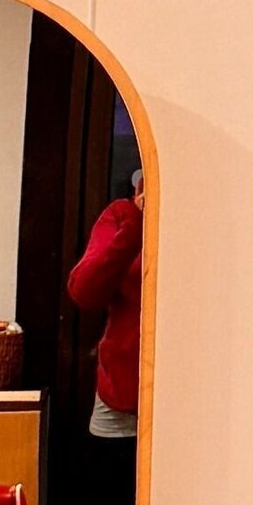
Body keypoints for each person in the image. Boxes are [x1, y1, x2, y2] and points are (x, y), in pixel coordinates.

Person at [67, 180, 143, 444]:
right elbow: (84, 292)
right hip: (118, 400)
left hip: (184, 403)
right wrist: (135, 225)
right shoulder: (122, 216)